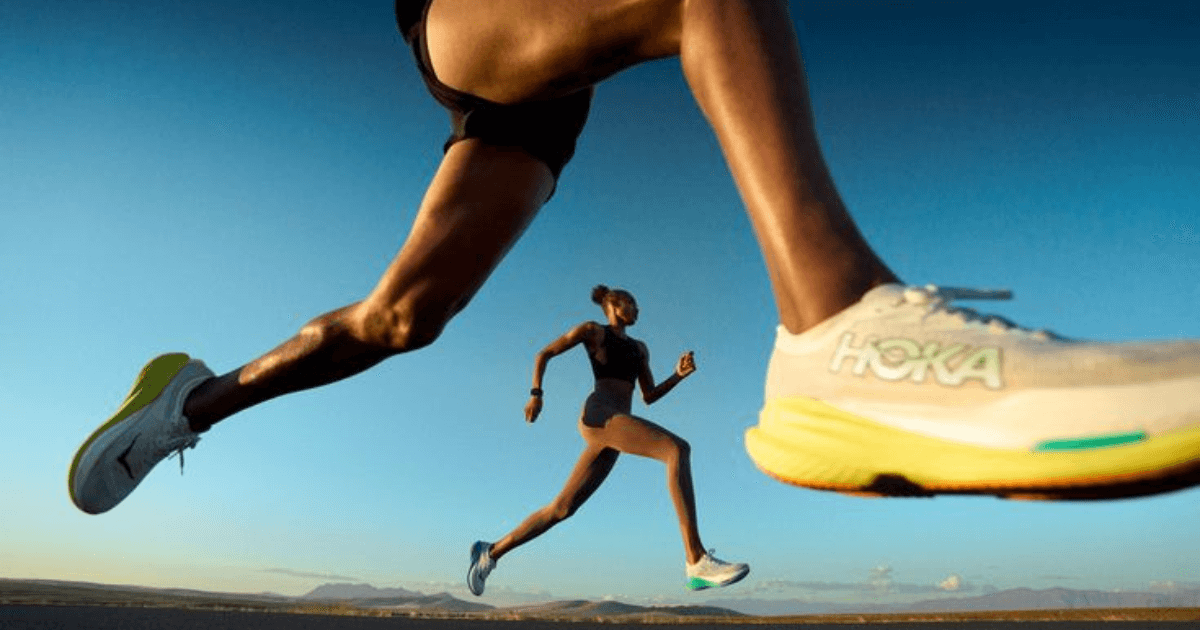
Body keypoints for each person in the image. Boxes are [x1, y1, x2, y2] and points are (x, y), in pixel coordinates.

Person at [70, 0, 1200, 520]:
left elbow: (601, 353)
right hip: (464, 16)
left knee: (403, 318)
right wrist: (542, 378)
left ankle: (190, 402)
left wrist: (663, 381)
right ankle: (841, 329)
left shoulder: (629, 328)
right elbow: (569, 345)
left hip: (545, 99)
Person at [465, 286, 748, 595]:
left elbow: (648, 396)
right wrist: (536, 394)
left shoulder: (640, 348)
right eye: (634, 304)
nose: (639, 311)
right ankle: (696, 560)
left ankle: (490, 552)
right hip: (599, 416)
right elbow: (543, 354)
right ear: (615, 304)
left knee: (562, 508)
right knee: (676, 449)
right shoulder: (594, 331)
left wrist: (677, 376)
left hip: (617, 429)